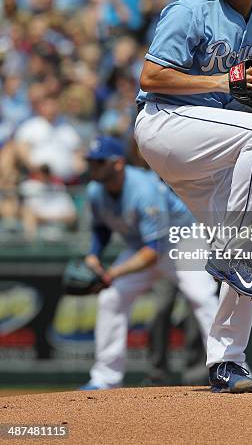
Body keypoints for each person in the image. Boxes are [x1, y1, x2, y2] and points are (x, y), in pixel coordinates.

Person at [135, 0, 252, 393]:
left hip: (217, 144)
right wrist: (222, 82)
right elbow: (151, 75)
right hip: (166, 125)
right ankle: (228, 255)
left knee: (251, 242)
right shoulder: (191, 10)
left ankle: (228, 363)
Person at [80, 136, 218, 390]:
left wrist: (113, 272)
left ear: (118, 163)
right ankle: (105, 378)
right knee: (111, 299)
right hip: (142, 247)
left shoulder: (143, 189)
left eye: (99, 162)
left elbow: (152, 254)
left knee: (202, 296)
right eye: (91, 161)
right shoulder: (95, 190)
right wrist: (93, 255)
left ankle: (227, 367)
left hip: (183, 240)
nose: (93, 167)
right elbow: (102, 227)